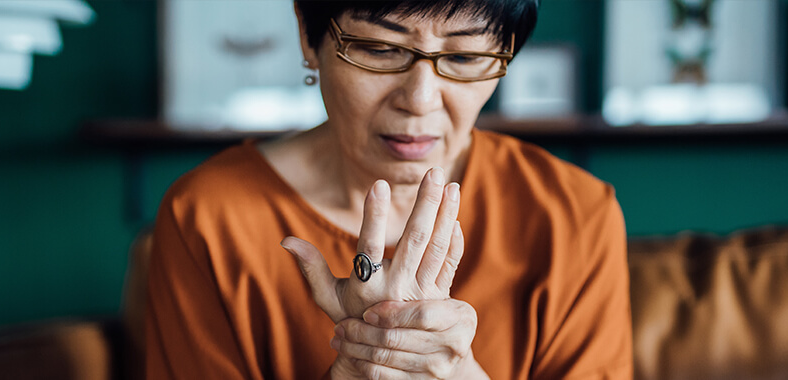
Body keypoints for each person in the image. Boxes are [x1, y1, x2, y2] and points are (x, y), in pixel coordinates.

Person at [145, 0, 633, 379]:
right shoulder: (208, 216)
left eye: (464, 56)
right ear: (307, 36)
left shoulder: (576, 214)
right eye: (380, 48)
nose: (419, 101)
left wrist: (454, 372)